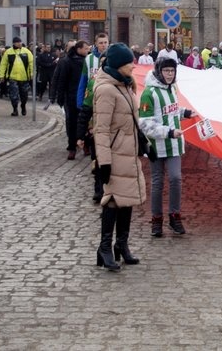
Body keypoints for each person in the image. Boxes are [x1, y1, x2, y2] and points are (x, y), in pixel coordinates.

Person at [87, 43, 146, 271]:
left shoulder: (124, 85)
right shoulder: (106, 90)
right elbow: (100, 130)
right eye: (129, 62)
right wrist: (104, 162)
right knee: (112, 200)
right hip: (113, 154)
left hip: (128, 151)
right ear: (119, 64)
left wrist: (144, 144)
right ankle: (104, 247)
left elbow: (132, 120)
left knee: (128, 197)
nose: (133, 65)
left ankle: (121, 245)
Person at [139, 57, 196, 237]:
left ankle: (174, 216)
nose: (170, 74)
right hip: (157, 145)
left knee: (176, 178)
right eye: (166, 71)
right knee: (157, 183)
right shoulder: (149, 93)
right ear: (159, 71)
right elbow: (146, 123)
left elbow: (171, 110)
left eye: (172, 71)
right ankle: (156, 220)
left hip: (174, 145)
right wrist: (169, 132)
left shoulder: (172, 88)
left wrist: (185, 113)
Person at [52, 40, 88, 160]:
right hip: (71, 96)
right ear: (78, 49)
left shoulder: (87, 61)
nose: (87, 51)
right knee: (71, 123)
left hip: (84, 95)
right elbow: (60, 79)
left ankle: (85, 144)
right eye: (85, 49)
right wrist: (59, 96)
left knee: (85, 122)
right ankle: (72, 147)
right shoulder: (66, 61)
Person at [0, 36, 33, 116]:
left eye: (20, 42)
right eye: (18, 42)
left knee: (24, 95)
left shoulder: (26, 52)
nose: (20, 43)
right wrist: (1, 76)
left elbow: (31, 63)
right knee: (13, 95)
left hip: (24, 77)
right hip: (12, 77)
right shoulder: (8, 52)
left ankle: (23, 106)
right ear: (14, 43)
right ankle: (15, 109)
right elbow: (3, 64)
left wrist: (32, 74)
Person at [76, 33, 109, 109]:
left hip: (107, 97)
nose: (103, 45)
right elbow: (83, 80)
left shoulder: (113, 57)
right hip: (91, 97)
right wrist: (79, 100)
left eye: (105, 42)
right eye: (100, 43)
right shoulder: (88, 58)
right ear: (96, 44)